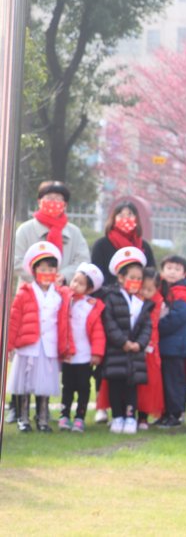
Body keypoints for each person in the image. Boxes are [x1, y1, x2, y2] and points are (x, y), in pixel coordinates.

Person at [9, 181, 89, 424]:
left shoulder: (73, 232)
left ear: (65, 204)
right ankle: (17, 407)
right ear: (39, 201)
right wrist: (39, 275)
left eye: (58, 198)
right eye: (48, 197)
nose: (53, 202)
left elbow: (82, 260)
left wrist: (61, 274)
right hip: (30, 295)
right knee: (24, 360)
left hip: (59, 298)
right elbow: (15, 260)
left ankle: (43, 410)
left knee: (47, 359)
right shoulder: (26, 230)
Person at [7, 242, 73, 432]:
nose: (47, 273)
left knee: (44, 384)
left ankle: (43, 419)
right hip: (29, 345)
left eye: (51, 269)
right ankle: (23, 418)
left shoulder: (60, 295)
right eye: (42, 269)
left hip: (49, 346)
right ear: (35, 271)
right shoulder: (25, 293)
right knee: (25, 384)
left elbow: (64, 323)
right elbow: (14, 320)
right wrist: (9, 345)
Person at [100, 247, 155, 435]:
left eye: (139, 279)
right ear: (121, 278)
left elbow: (147, 325)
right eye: (132, 277)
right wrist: (123, 342)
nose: (136, 282)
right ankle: (117, 416)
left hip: (135, 353)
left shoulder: (142, 301)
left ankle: (130, 416)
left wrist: (139, 343)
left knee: (132, 386)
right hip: (117, 350)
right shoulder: (111, 297)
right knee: (115, 385)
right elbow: (109, 323)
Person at [59, 263, 106, 432]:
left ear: (89, 289)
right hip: (68, 354)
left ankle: (80, 417)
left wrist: (97, 353)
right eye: (74, 280)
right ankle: (64, 415)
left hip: (85, 356)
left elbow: (98, 332)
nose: (75, 285)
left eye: (80, 283)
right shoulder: (65, 299)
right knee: (67, 386)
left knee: (84, 387)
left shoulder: (92, 305)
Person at [156, 255, 186, 428]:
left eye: (177, 269)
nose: (172, 272)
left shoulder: (182, 294)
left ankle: (175, 414)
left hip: (175, 346)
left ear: (184, 273)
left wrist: (155, 326)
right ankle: (164, 413)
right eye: (169, 268)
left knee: (173, 382)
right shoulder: (161, 290)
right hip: (164, 345)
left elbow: (176, 318)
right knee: (163, 382)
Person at [89, 201, 156, 293]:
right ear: (114, 219)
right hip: (108, 295)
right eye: (121, 215)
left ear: (136, 218)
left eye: (130, 215)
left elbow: (151, 273)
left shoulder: (144, 246)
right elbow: (96, 275)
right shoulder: (101, 245)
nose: (126, 219)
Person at [136, 268, 165, 428]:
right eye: (143, 288)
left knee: (147, 383)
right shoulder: (133, 296)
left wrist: (147, 343)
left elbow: (153, 325)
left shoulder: (157, 301)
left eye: (150, 289)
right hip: (134, 344)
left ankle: (143, 417)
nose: (146, 292)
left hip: (149, 347)